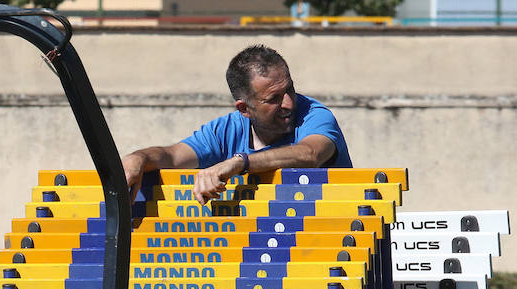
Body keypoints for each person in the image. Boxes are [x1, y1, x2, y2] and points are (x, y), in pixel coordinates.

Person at [121, 44, 353, 205]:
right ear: (244, 109)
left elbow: (311, 154)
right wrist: (138, 158)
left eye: (289, 89)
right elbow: (171, 156)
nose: (289, 103)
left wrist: (238, 163)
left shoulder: (314, 115)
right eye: (273, 98)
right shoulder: (223, 131)